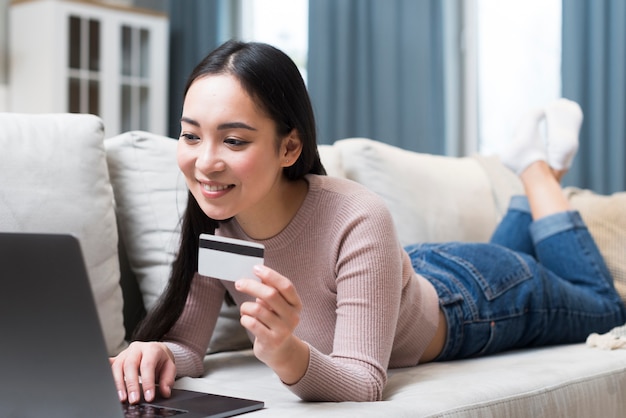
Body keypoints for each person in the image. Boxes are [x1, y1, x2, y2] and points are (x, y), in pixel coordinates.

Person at [110, 40, 626, 404]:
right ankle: (530, 187)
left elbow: (363, 381)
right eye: (191, 135)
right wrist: (155, 352)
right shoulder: (217, 224)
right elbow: (190, 348)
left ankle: (536, 170)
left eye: (235, 140)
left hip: (476, 300)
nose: (204, 163)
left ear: (290, 146)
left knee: (607, 308)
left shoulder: (356, 215)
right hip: (400, 277)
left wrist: (288, 354)